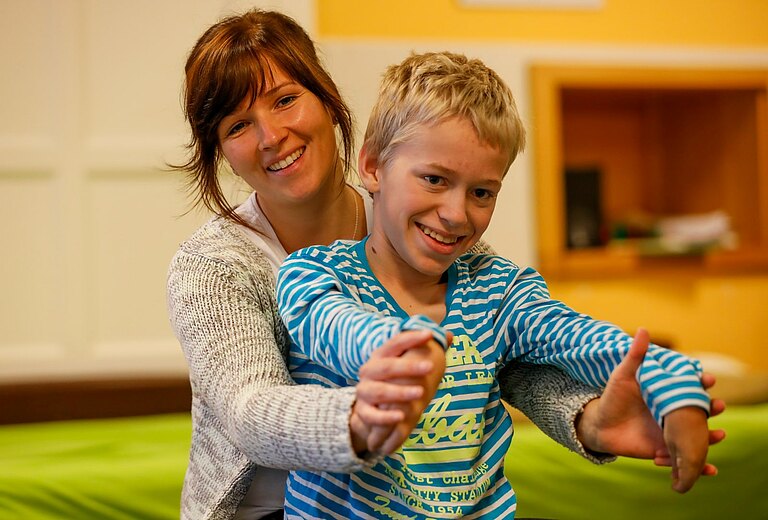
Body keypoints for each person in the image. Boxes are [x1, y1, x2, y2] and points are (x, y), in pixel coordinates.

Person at [167, 8, 724, 520]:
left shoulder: (429, 229)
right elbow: (250, 409)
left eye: (285, 100)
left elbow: (504, 356)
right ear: (221, 151)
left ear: (326, 97)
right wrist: (375, 401)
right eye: (237, 126)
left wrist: (603, 414)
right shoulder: (227, 266)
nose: (271, 135)